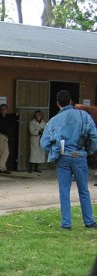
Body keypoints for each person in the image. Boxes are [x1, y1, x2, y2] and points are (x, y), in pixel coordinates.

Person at [41, 89, 97, 230]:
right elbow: (94, 136)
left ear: (58, 104)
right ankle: (89, 222)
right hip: (80, 156)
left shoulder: (54, 121)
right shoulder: (84, 116)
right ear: (71, 101)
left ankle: (66, 223)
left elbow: (44, 143)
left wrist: (55, 150)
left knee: (64, 191)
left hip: (63, 158)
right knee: (84, 190)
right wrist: (89, 151)